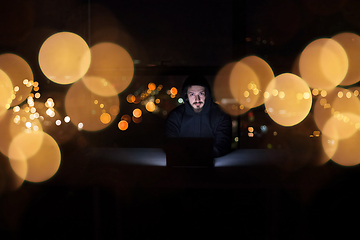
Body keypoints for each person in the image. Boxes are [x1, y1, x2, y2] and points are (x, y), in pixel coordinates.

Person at [165, 74, 232, 157]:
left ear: (206, 94)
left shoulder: (221, 116)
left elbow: (223, 145)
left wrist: (203, 157)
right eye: (192, 94)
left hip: (213, 167)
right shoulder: (175, 117)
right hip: (182, 167)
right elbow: (171, 145)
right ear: (186, 96)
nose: (197, 99)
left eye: (201, 93)